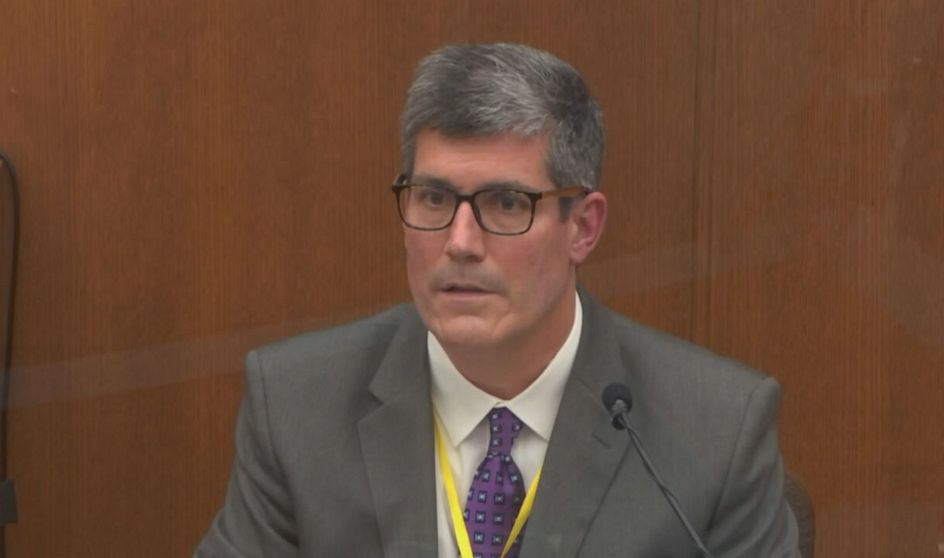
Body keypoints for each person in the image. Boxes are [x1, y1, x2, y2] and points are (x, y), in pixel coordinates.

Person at [196, 43, 799, 557]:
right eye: (433, 198)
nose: (460, 243)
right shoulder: (299, 407)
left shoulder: (715, 431)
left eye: (506, 204)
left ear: (582, 228)